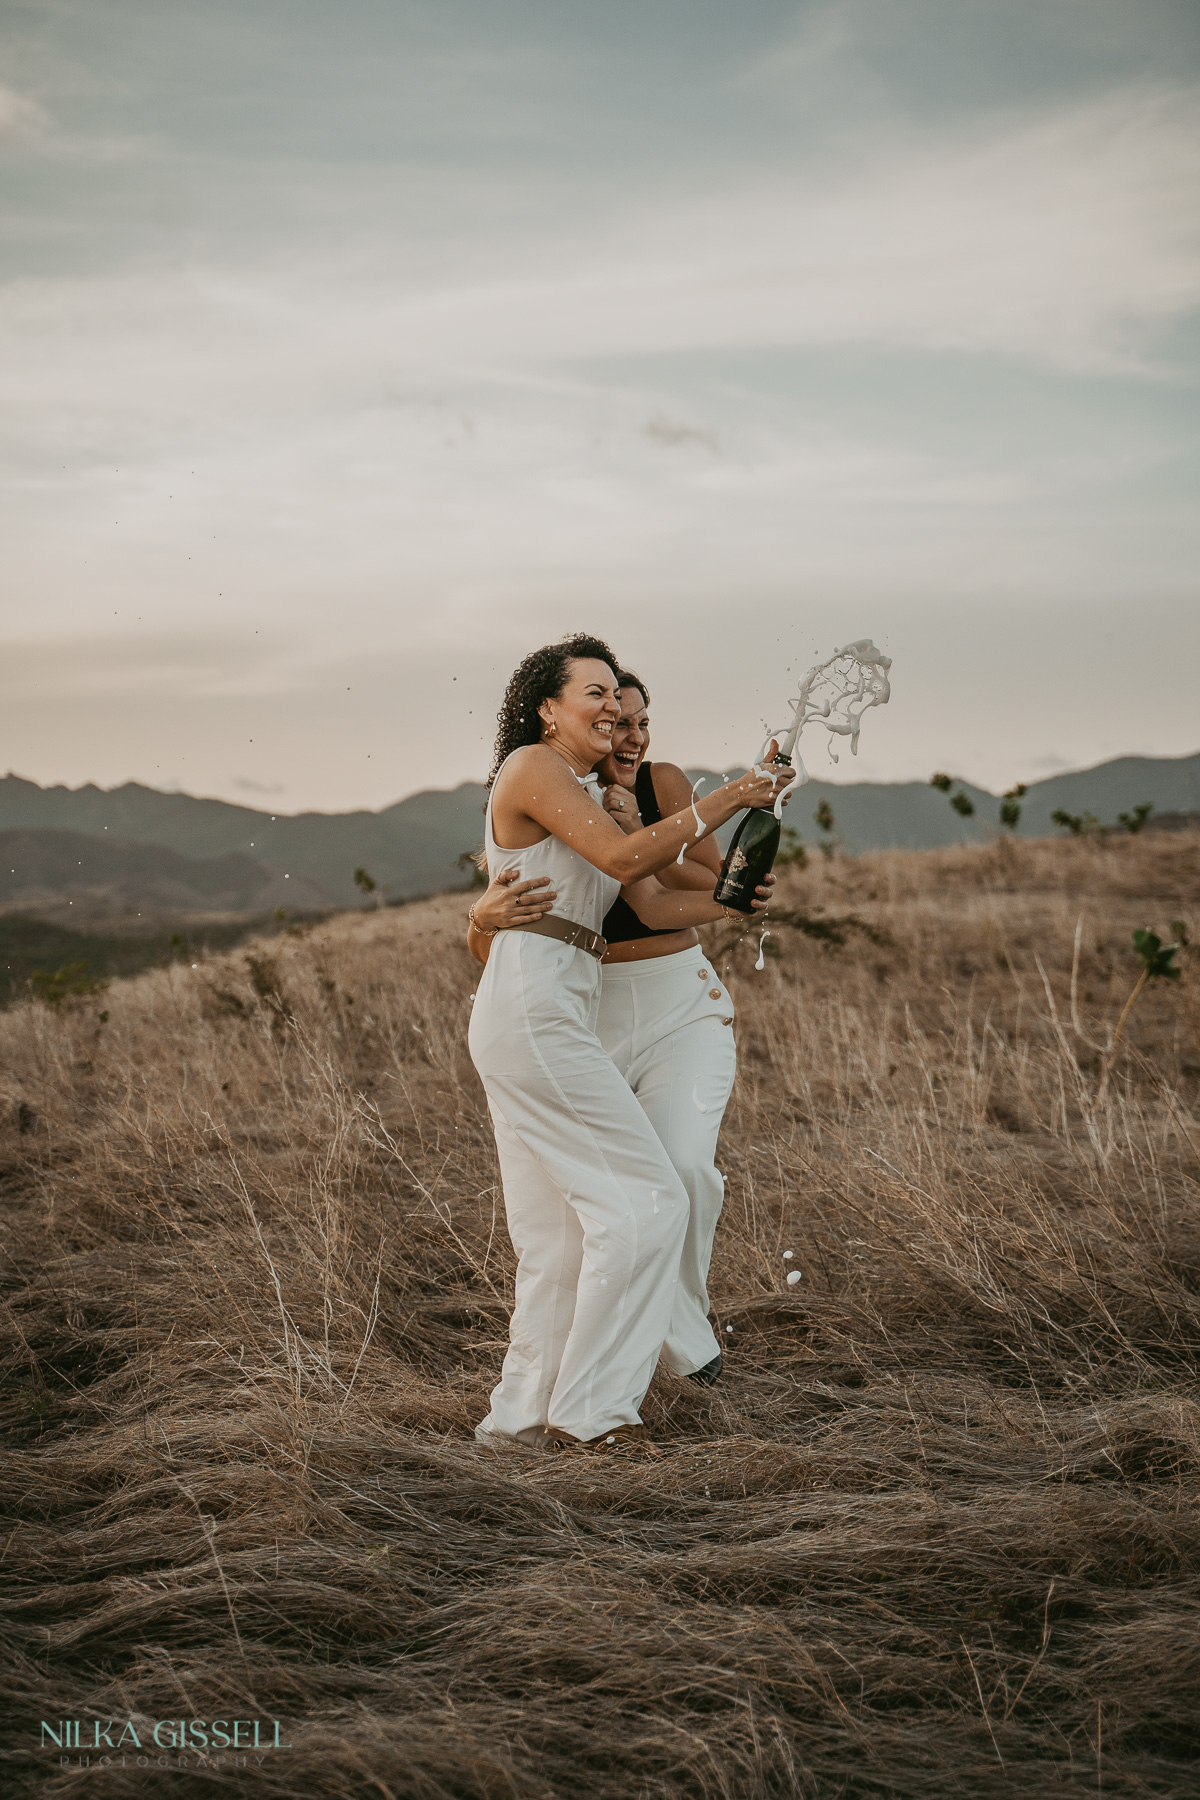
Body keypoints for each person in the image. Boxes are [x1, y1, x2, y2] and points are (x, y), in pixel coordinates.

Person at [467, 634, 791, 1454]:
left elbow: (635, 886)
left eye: (622, 696)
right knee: (648, 1204)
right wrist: (731, 796)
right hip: (537, 1010)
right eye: (597, 692)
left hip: (555, 1006)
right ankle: (595, 1418)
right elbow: (613, 860)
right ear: (548, 706)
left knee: (560, 1242)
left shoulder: (579, 784)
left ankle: (515, 1426)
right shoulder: (534, 766)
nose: (614, 707)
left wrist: (734, 847)